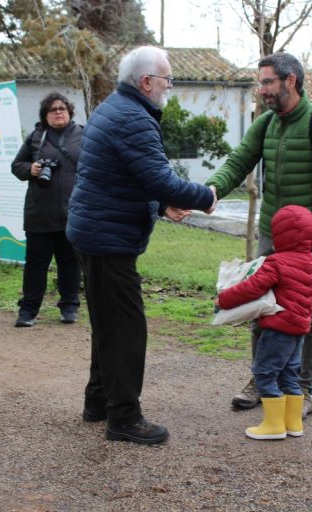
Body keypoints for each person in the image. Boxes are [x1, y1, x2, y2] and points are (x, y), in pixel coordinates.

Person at [66, 46, 217, 445]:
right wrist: (205, 195)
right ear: (147, 82)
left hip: (95, 231)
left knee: (107, 325)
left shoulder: (112, 107)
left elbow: (124, 176)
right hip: (107, 237)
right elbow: (159, 179)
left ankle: (98, 402)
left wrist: (160, 205)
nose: (169, 87)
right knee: (125, 330)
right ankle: (124, 419)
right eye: (167, 80)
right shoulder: (133, 117)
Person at [206, 52, 312, 417]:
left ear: (291, 81)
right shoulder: (267, 124)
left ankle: (302, 390)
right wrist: (209, 192)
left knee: (309, 312)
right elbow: (239, 161)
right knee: (262, 306)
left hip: (310, 243)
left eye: (268, 82)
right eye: (261, 83)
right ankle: (263, 379)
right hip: (272, 236)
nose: (262, 90)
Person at [215, 205, 312, 440]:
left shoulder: (276, 262)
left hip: (277, 329)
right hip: (298, 331)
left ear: (279, 234)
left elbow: (252, 288)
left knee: (265, 372)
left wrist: (224, 299)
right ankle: (293, 423)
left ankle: (273, 426)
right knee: (289, 375)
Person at [11, 93, 83, 327]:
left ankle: (70, 306)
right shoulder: (35, 137)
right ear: (45, 115)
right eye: (52, 110)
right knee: (35, 265)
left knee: (70, 263)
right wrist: (30, 169)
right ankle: (28, 310)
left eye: (62, 108)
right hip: (39, 214)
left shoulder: (84, 135)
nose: (58, 112)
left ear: (70, 111)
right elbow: (16, 166)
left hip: (73, 212)